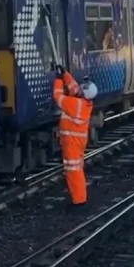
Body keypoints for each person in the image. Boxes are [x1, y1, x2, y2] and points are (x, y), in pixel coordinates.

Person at [52, 64, 98, 208]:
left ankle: (79, 201)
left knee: (74, 171)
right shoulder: (83, 102)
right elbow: (73, 88)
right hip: (77, 141)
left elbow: (57, 97)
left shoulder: (75, 104)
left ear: (83, 94)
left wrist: (58, 80)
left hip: (72, 142)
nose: (79, 87)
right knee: (76, 169)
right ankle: (79, 197)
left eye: (82, 88)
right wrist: (65, 74)